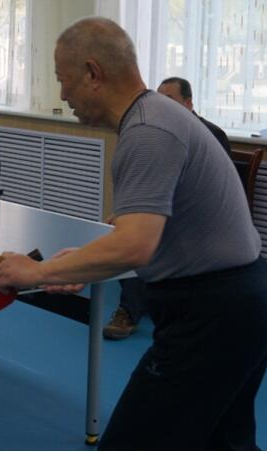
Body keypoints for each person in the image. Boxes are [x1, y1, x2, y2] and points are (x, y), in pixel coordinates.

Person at [0, 17, 267, 450]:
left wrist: (36, 273)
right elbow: (147, 231)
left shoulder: (148, 132)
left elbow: (134, 246)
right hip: (246, 300)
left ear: (92, 73)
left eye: (62, 79)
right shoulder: (157, 116)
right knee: (225, 442)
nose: (62, 94)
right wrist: (82, 264)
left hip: (214, 316)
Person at [103, 75, 232, 340]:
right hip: (164, 210)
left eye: (170, 99)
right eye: (160, 99)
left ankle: (136, 310)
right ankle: (129, 311)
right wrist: (130, 213)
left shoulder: (212, 135)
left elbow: (209, 190)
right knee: (129, 231)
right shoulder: (157, 132)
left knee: (143, 235)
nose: (163, 105)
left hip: (198, 217)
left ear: (188, 103)